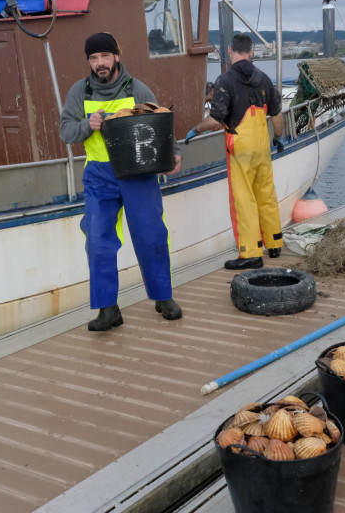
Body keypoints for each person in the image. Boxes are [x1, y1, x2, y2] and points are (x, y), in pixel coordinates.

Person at [59, 32, 183, 331]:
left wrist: (174, 152)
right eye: (93, 58)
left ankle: (162, 297)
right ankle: (108, 309)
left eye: (104, 56)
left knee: (152, 236)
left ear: (117, 55)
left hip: (139, 173)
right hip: (100, 177)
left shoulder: (137, 88)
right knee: (98, 241)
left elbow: (159, 120)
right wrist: (87, 126)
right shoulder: (80, 92)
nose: (99, 63)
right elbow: (65, 131)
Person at [185, 34, 286, 270]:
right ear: (251, 52)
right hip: (262, 147)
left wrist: (195, 129)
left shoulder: (225, 80)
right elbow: (277, 114)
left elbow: (215, 121)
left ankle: (250, 253)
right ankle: (274, 244)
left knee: (244, 199)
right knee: (266, 194)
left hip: (240, 147)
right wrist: (278, 138)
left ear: (230, 50)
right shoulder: (264, 79)